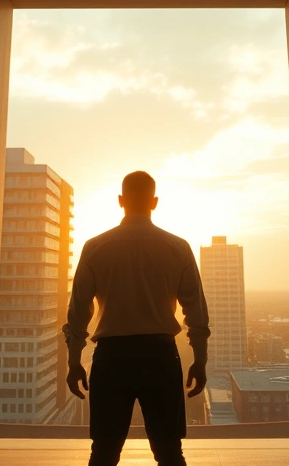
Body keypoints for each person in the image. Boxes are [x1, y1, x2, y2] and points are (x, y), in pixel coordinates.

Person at [62, 171, 210, 466]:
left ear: (120, 201)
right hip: (160, 357)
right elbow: (196, 313)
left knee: (104, 452)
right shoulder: (178, 247)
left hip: (112, 358)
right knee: (169, 452)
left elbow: (79, 312)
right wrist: (200, 360)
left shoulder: (95, 246)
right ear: (155, 202)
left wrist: (74, 361)